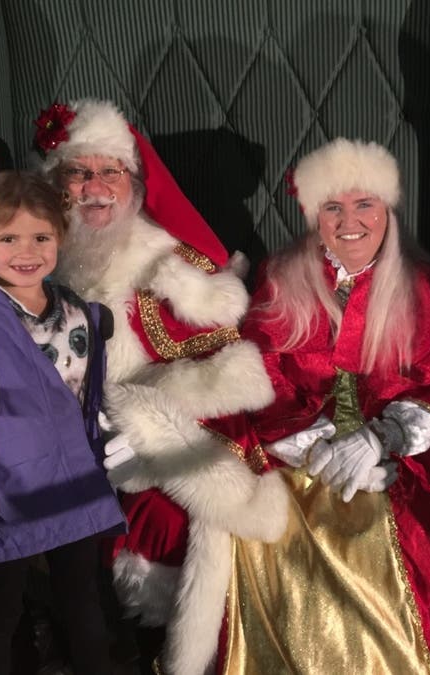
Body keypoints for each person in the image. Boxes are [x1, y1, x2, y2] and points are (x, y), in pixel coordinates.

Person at [233, 138, 430, 674]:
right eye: (333, 207)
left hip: (408, 468)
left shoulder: (427, 287)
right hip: (297, 463)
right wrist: (306, 443)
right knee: (276, 550)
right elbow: (258, 373)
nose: (349, 222)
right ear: (314, 214)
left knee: (419, 549)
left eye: (365, 204)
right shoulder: (279, 277)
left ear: (387, 209)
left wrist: (387, 436)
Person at [36, 99, 283, 674]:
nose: (96, 187)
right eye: (78, 172)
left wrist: (137, 430)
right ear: (55, 184)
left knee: (163, 526)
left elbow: (229, 374)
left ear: (134, 184)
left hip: (153, 440)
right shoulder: (32, 254)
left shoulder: (169, 266)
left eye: (110, 171)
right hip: (59, 445)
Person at [0, 171, 127, 675]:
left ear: (61, 237)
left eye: (41, 237)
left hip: (71, 485)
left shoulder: (74, 310)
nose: (26, 252)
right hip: (5, 495)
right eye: (8, 238)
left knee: (84, 603)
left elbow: (83, 394)